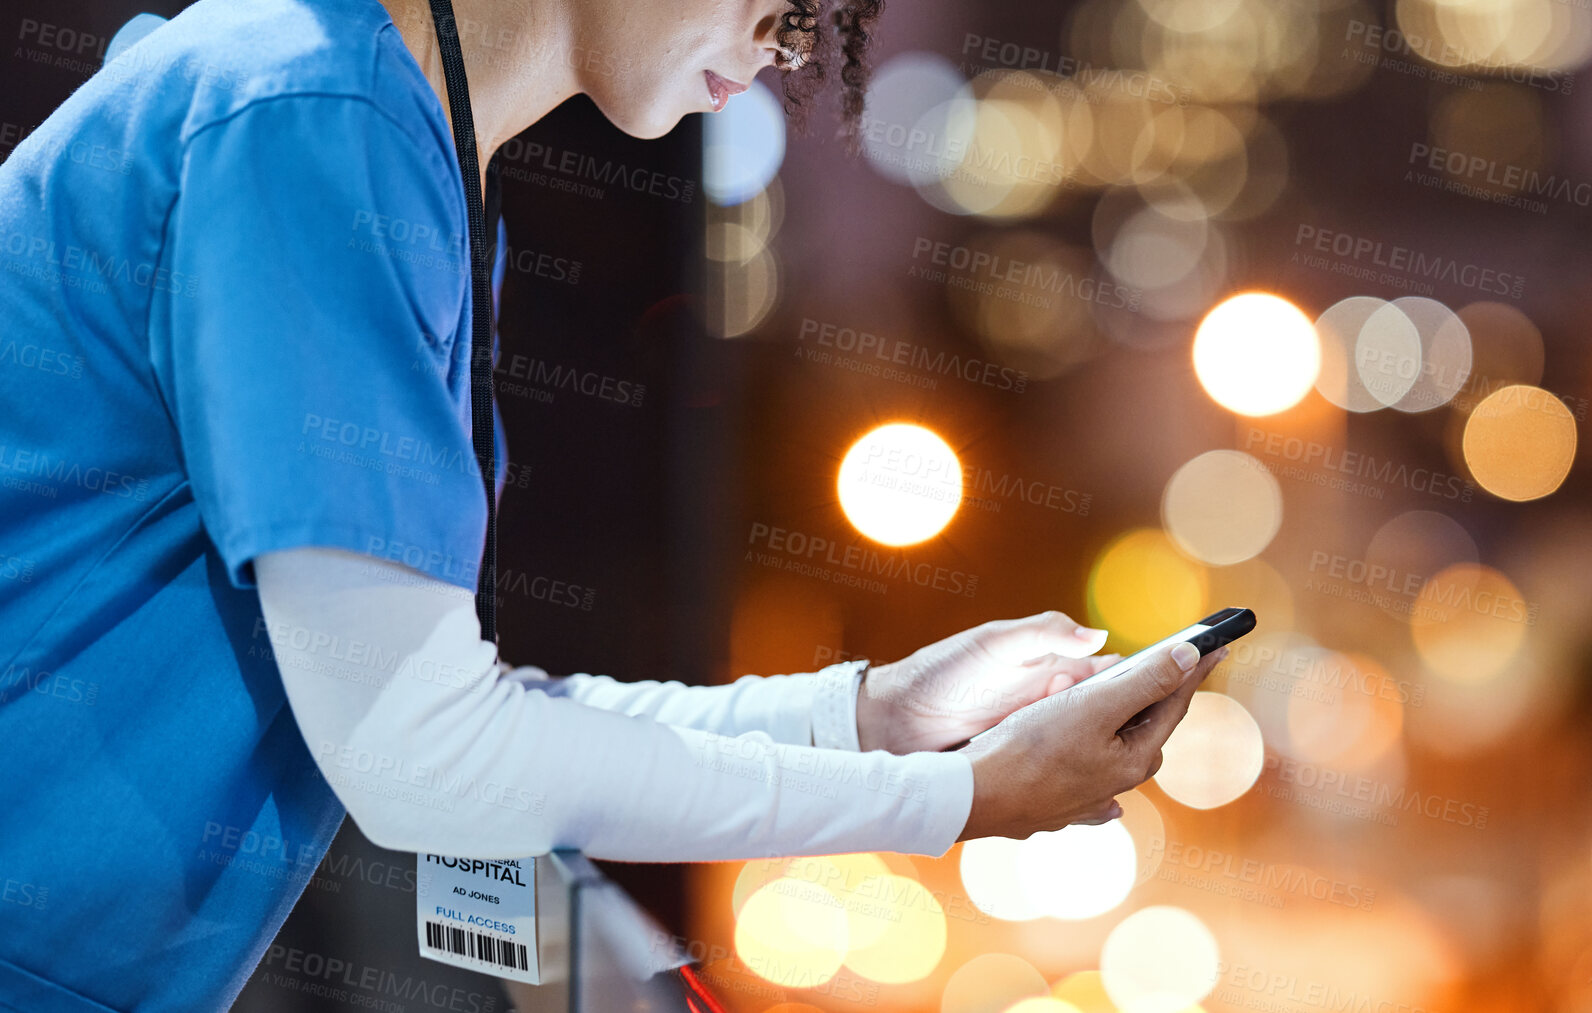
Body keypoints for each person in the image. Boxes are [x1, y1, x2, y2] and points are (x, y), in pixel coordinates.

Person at [0, 0, 1224, 1009]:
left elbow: (440, 709)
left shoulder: (381, 137)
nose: (790, 45)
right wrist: (953, 798)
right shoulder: (304, 117)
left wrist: (868, 718)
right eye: (791, 5)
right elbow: (420, 751)